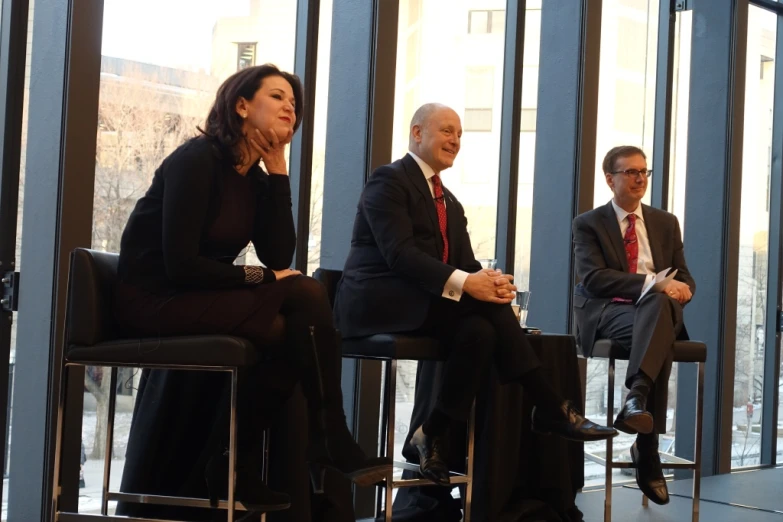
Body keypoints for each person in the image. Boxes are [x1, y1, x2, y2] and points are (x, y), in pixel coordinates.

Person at [113, 64, 390, 516]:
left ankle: (234, 462)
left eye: (294, 104)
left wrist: (278, 171)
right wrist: (259, 278)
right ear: (242, 105)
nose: (290, 108)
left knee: (292, 329)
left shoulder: (255, 178)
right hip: (153, 300)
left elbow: (279, 254)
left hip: (202, 297)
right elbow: (181, 265)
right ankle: (324, 438)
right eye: (278, 97)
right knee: (304, 293)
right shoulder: (196, 160)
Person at [334, 102, 616, 487]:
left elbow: (466, 266)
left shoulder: (451, 202)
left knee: (481, 333)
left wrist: (492, 282)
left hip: (424, 304)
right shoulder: (389, 181)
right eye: (447, 130)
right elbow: (399, 255)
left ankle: (430, 433)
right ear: (417, 133)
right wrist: (471, 285)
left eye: (460, 133)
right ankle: (550, 405)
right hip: (376, 302)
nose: (456, 140)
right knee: (484, 311)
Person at [572, 145, 696, 505]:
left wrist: (682, 289)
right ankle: (647, 449)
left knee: (659, 307)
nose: (640, 178)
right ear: (610, 179)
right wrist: (654, 283)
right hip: (609, 311)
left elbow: (684, 276)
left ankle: (636, 400)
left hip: (655, 312)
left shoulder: (665, 222)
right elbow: (594, 279)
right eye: (630, 172)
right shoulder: (589, 223)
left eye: (644, 171)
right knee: (657, 314)